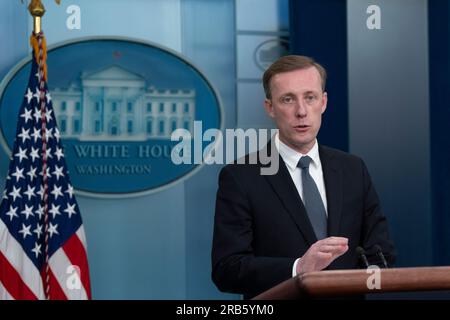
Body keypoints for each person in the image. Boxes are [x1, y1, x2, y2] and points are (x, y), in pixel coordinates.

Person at [211, 55, 396, 299]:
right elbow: (227, 269)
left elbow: (381, 254)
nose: (301, 111)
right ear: (270, 107)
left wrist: (369, 273)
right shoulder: (241, 177)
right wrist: (299, 268)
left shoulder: (353, 169)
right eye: (288, 99)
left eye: (310, 97)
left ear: (324, 102)